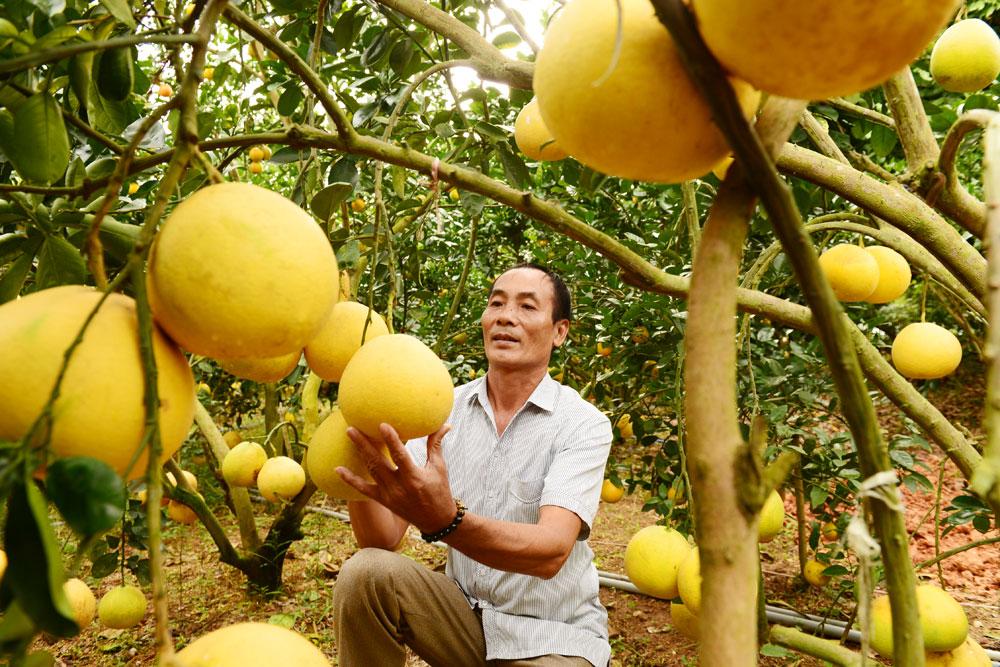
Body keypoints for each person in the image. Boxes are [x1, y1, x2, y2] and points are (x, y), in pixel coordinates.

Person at [333, 263, 613, 667]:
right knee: (366, 573)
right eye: (496, 303)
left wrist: (447, 520)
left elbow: (550, 553)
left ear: (559, 332)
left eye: (527, 307)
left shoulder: (582, 424)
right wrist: (365, 447)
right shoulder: (437, 409)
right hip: (465, 618)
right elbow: (382, 538)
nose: (504, 315)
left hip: (552, 637)